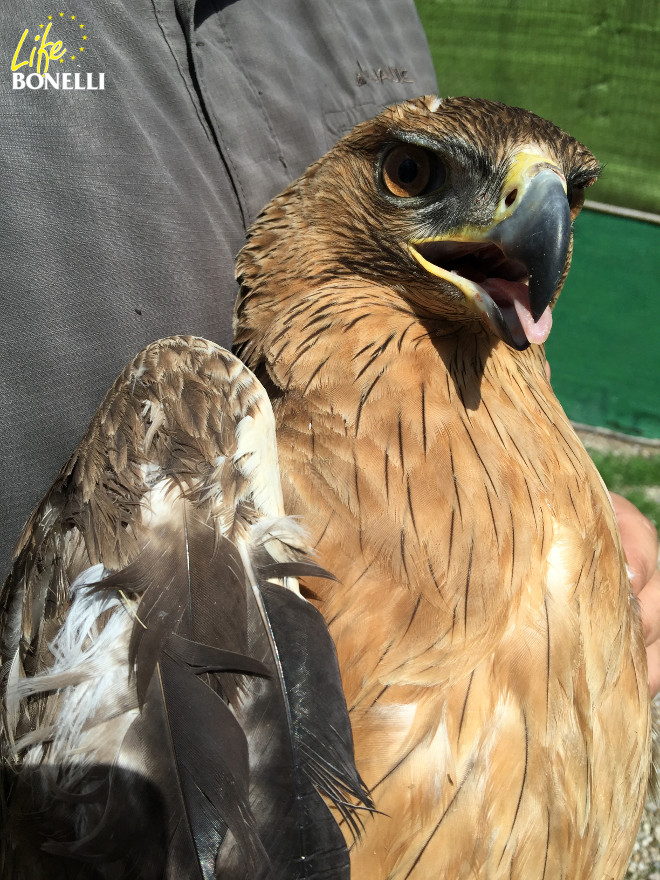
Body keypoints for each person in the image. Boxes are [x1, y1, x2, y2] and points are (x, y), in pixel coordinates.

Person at [0, 0, 657, 694]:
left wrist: (563, 519)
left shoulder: (372, 8)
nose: (537, 211)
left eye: (566, 198)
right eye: (413, 174)